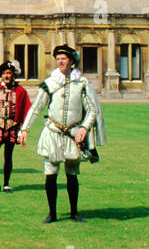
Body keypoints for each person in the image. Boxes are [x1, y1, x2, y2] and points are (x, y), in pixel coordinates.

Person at [20, 45, 106, 223]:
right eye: (58, 58)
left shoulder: (81, 83)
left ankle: (74, 211)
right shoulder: (50, 83)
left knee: (72, 174)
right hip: (53, 132)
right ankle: (52, 213)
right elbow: (36, 108)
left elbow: (92, 110)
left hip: (73, 135)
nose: (60, 61)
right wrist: (24, 129)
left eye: (64, 58)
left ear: (72, 61)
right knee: (50, 173)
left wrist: (84, 128)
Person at [0, 60, 33, 193]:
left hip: (12, 126)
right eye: (4, 73)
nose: (6, 76)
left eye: (9, 73)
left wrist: (22, 130)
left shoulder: (21, 91)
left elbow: (26, 112)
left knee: (8, 156)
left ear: (13, 74)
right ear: (1, 75)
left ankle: (6, 184)